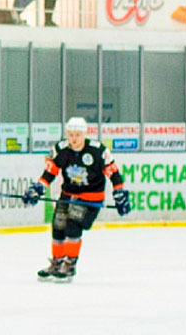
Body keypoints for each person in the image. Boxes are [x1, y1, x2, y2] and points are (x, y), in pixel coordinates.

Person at [23, 117, 131, 282]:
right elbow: (50, 172)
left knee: (73, 225)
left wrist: (119, 192)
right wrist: (38, 188)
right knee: (58, 226)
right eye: (71, 135)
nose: (73, 139)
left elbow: (114, 173)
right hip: (67, 195)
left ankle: (70, 264)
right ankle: (57, 262)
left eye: (77, 135)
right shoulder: (61, 149)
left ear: (84, 134)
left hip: (90, 198)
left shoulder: (97, 151)